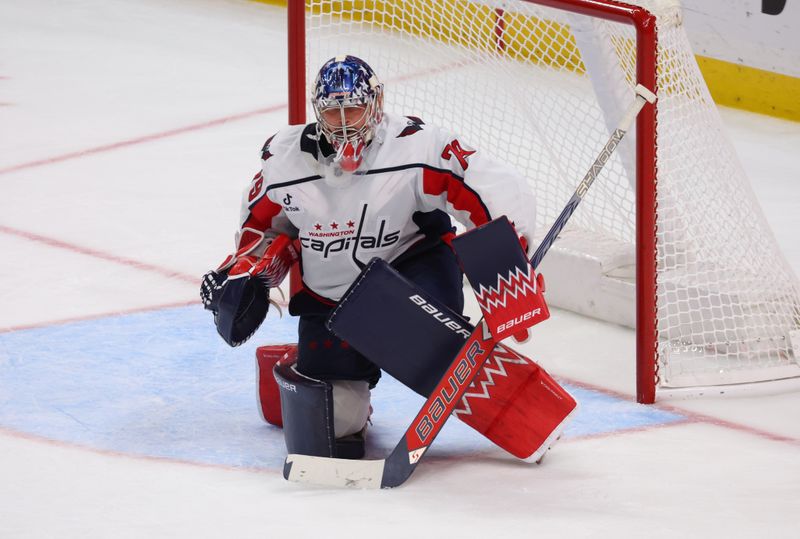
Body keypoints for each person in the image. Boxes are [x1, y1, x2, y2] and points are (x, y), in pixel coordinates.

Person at [200, 55, 536, 455]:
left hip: (410, 277)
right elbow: (262, 228)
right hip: (331, 301)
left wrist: (509, 267)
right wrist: (243, 270)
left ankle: (420, 336)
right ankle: (295, 366)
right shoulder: (284, 161)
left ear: (376, 105)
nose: (343, 123)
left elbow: (491, 188)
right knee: (335, 430)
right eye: (332, 111)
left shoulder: (416, 146)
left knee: (426, 337)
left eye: (353, 109)